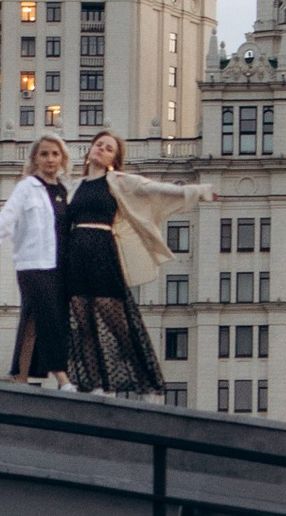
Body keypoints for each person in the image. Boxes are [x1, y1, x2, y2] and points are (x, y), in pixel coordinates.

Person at [58, 131, 201, 398]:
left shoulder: (117, 182)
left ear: (114, 159)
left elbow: (152, 189)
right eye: (98, 145)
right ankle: (97, 385)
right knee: (85, 325)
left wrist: (192, 192)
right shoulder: (74, 186)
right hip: (76, 256)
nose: (101, 149)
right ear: (89, 151)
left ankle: (146, 383)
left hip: (102, 252)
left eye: (108, 148)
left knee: (117, 323)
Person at [0, 139, 73, 382]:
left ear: (62, 158)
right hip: (33, 265)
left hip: (59, 265)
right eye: (44, 154)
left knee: (31, 320)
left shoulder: (65, 190)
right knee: (49, 316)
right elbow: (7, 216)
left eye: (55, 154)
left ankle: (20, 375)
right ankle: (63, 379)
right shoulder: (26, 187)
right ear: (35, 159)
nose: (50, 159)